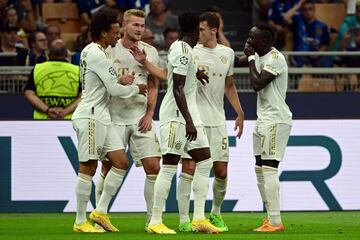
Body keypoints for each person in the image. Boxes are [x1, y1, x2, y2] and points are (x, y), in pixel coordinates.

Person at [130, 11, 223, 234]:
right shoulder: (182, 49)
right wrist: (188, 120)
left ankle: (199, 218)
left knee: (205, 162)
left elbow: (173, 74)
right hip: (176, 117)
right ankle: (155, 221)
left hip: (189, 116)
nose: (202, 33)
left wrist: (195, 72)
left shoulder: (185, 50)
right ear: (194, 29)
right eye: (200, 29)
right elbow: (177, 87)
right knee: (170, 166)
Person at [71, 7, 147, 233]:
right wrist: (136, 88)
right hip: (92, 116)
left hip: (101, 115)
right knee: (88, 166)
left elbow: (106, 82)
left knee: (122, 162)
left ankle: (100, 212)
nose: (117, 34)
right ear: (104, 33)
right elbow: (114, 91)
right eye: (115, 31)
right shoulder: (98, 54)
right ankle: (80, 221)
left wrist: (121, 80)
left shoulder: (90, 51)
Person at [176, 12, 244, 232]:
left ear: (214, 30)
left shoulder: (228, 53)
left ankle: (215, 213)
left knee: (221, 172)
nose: (199, 33)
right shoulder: (190, 51)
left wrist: (240, 112)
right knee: (189, 167)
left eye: (203, 29)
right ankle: (185, 219)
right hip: (194, 120)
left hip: (217, 119)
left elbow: (229, 85)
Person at [98, 8, 161, 231]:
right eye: (135, 25)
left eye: (142, 26)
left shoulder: (150, 52)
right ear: (123, 26)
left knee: (154, 167)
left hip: (140, 117)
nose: (140, 29)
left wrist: (150, 113)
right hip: (114, 116)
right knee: (108, 166)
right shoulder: (108, 50)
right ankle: (100, 217)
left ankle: (151, 221)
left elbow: (154, 84)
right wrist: (122, 84)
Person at [238, 24, 292, 232]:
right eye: (249, 37)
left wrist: (251, 59)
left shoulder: (275, 59)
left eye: (253, 38)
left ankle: (276, 221)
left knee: (269, 168)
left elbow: (257, 84)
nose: (248, 41)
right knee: (259, 168)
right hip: (263, 120)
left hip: (276, 120)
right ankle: (270, 217)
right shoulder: (259, 54)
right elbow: (234, 61)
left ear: (265, 41)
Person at [24, 39, 80, 119]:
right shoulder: (78, 70)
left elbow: (29, 93)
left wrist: (48, 110)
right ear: (67, 54)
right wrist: (64, 112)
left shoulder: (38, 69)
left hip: (41, 121)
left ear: (48, 54)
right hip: (69, 121)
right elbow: (83, 97)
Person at [285, 0, 332, 67]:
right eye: (305, 9)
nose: (308, 12)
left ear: (314, 10)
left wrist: (318, 54)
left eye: (310, 9)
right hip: (300, 56)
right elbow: (286, 18)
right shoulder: (297, 23)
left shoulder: (322, 26)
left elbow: (325, 44)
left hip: (316, 56)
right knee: (297, 61)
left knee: (327, 62)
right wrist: (298, 5)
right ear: (302, 11)